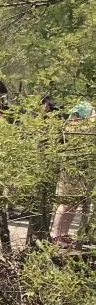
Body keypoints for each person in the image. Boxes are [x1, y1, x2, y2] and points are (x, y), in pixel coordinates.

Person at [50, 101, 93, 244]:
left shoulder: (85, 126)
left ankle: (64, 233)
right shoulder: (71, 126)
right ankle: (55, 234)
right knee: (65, 202)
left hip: (81, 169)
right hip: (70, 169)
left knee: (74, 203)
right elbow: (88, 127)